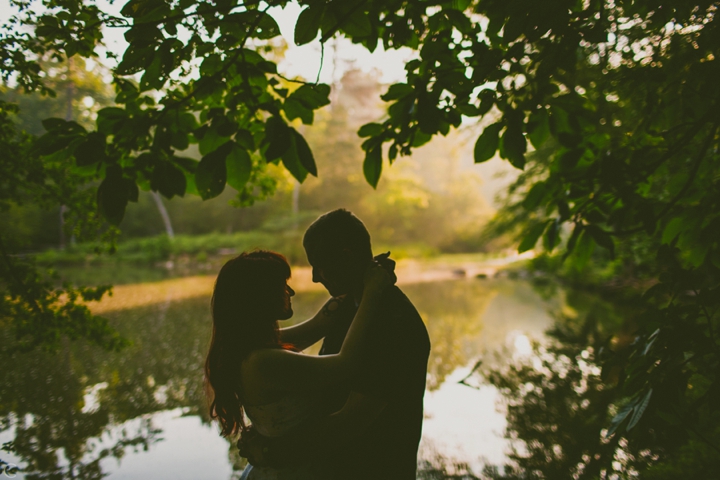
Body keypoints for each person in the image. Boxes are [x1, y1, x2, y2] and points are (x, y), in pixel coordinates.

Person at [238, 209, 431, 480]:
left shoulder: (391, 323)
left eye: (319, 264)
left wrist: (271, 451)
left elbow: (350, 422)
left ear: (346, 256)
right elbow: (305, 337)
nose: (315, 277)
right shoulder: (349, 306)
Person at [205, 249, 393, 479]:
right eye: (282, 286)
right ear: (260, 296)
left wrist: (358, 279)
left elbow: (318, 324)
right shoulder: (262, 362)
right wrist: (372, 293)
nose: (291, 291)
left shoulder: (246, 346)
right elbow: (345, 364)